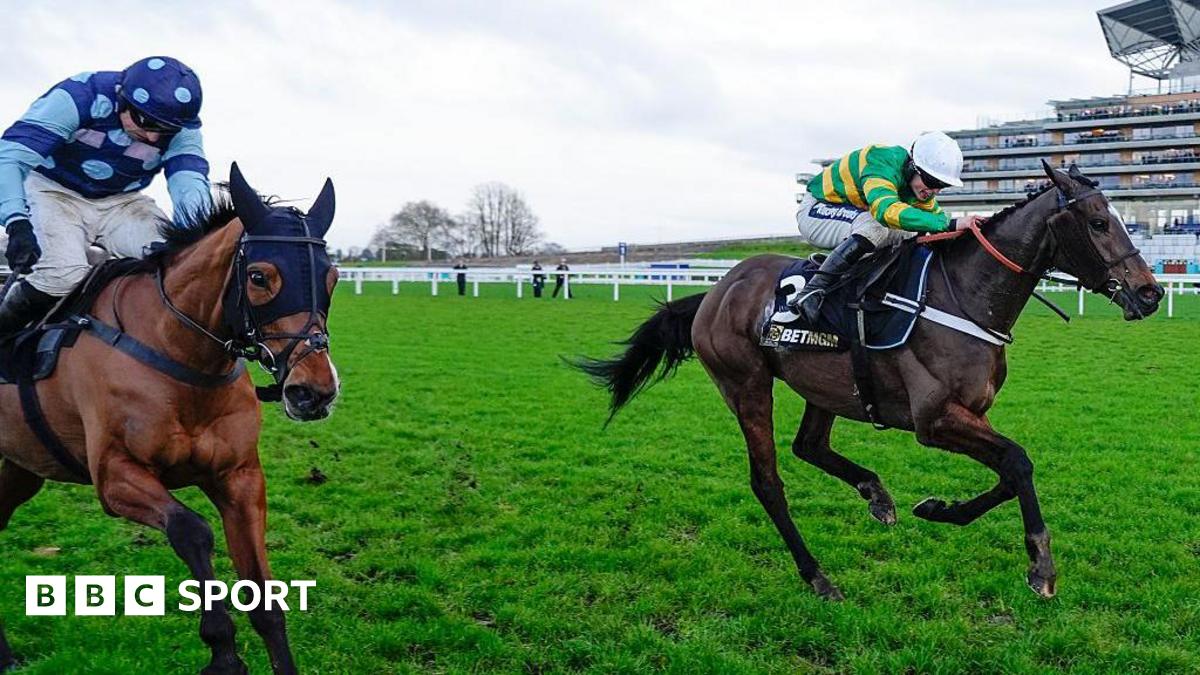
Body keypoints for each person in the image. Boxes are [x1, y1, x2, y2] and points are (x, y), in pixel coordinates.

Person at [0, 56, 210, 338]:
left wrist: (199, 238)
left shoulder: (183, 128)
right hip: (52, 190)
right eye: (144, 121)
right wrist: (16, 222)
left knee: (174, 262)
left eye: (164, 131)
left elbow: (189, 185)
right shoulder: (79, 95)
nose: (150, 136)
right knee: (62, 275)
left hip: (122, 202)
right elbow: (10, 158)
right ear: (122, 97)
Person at [791, 131, 985, 324]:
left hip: (853, 215)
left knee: (913, 231)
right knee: (876, 226)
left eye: (942, 185)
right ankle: (811, 292)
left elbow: (934, 222)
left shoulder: (918, 189)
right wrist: (949, 223)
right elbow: (884, 211)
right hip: (817, 210)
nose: (934, 191)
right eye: (933, 182)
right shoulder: (881, 159)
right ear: (913, 167)